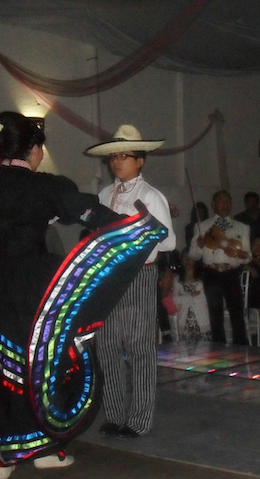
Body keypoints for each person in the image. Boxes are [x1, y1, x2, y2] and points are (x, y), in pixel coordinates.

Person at [0, 111, 166, 479]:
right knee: (40, 366)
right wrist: (135, 228)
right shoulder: (45, 186)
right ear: (33, 150)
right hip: (34, 287)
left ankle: (5, 455)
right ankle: (42, 450)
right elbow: (91, 213)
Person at [87, 124, 176, 439]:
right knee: (107, 345)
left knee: (139, 347)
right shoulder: (104, 194)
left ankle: (139, 418)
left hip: (138, 275)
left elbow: (169, 242)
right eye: (114, 157)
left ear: (140, 161)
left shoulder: (150, 196)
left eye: (124, 156)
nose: (117, 162)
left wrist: (141, 232)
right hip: (108, 276)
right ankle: (113, 415)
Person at [189, 190, 250, 345]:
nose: (225, 204)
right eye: (221, 201)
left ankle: (241, 348)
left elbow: (248, 255)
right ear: (213, 204)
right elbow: (193, 255)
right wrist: (200, 246)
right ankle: (218, 349)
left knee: (237, 313)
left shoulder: (242, 227)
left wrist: (243, 256)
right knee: (215, 314)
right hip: (211, 272)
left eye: (228, 201)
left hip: (231, 272)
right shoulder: (202, 226)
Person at [163, 249, 211, 344]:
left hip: (203, 322)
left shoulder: (203, 278)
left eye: (190, 258)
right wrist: (190, 296)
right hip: (184, 323)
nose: (188, 261)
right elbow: (174, 299)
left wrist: (183, 299)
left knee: (204, 350)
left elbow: (205, 298)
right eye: (185, 258)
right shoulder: (177, 280)